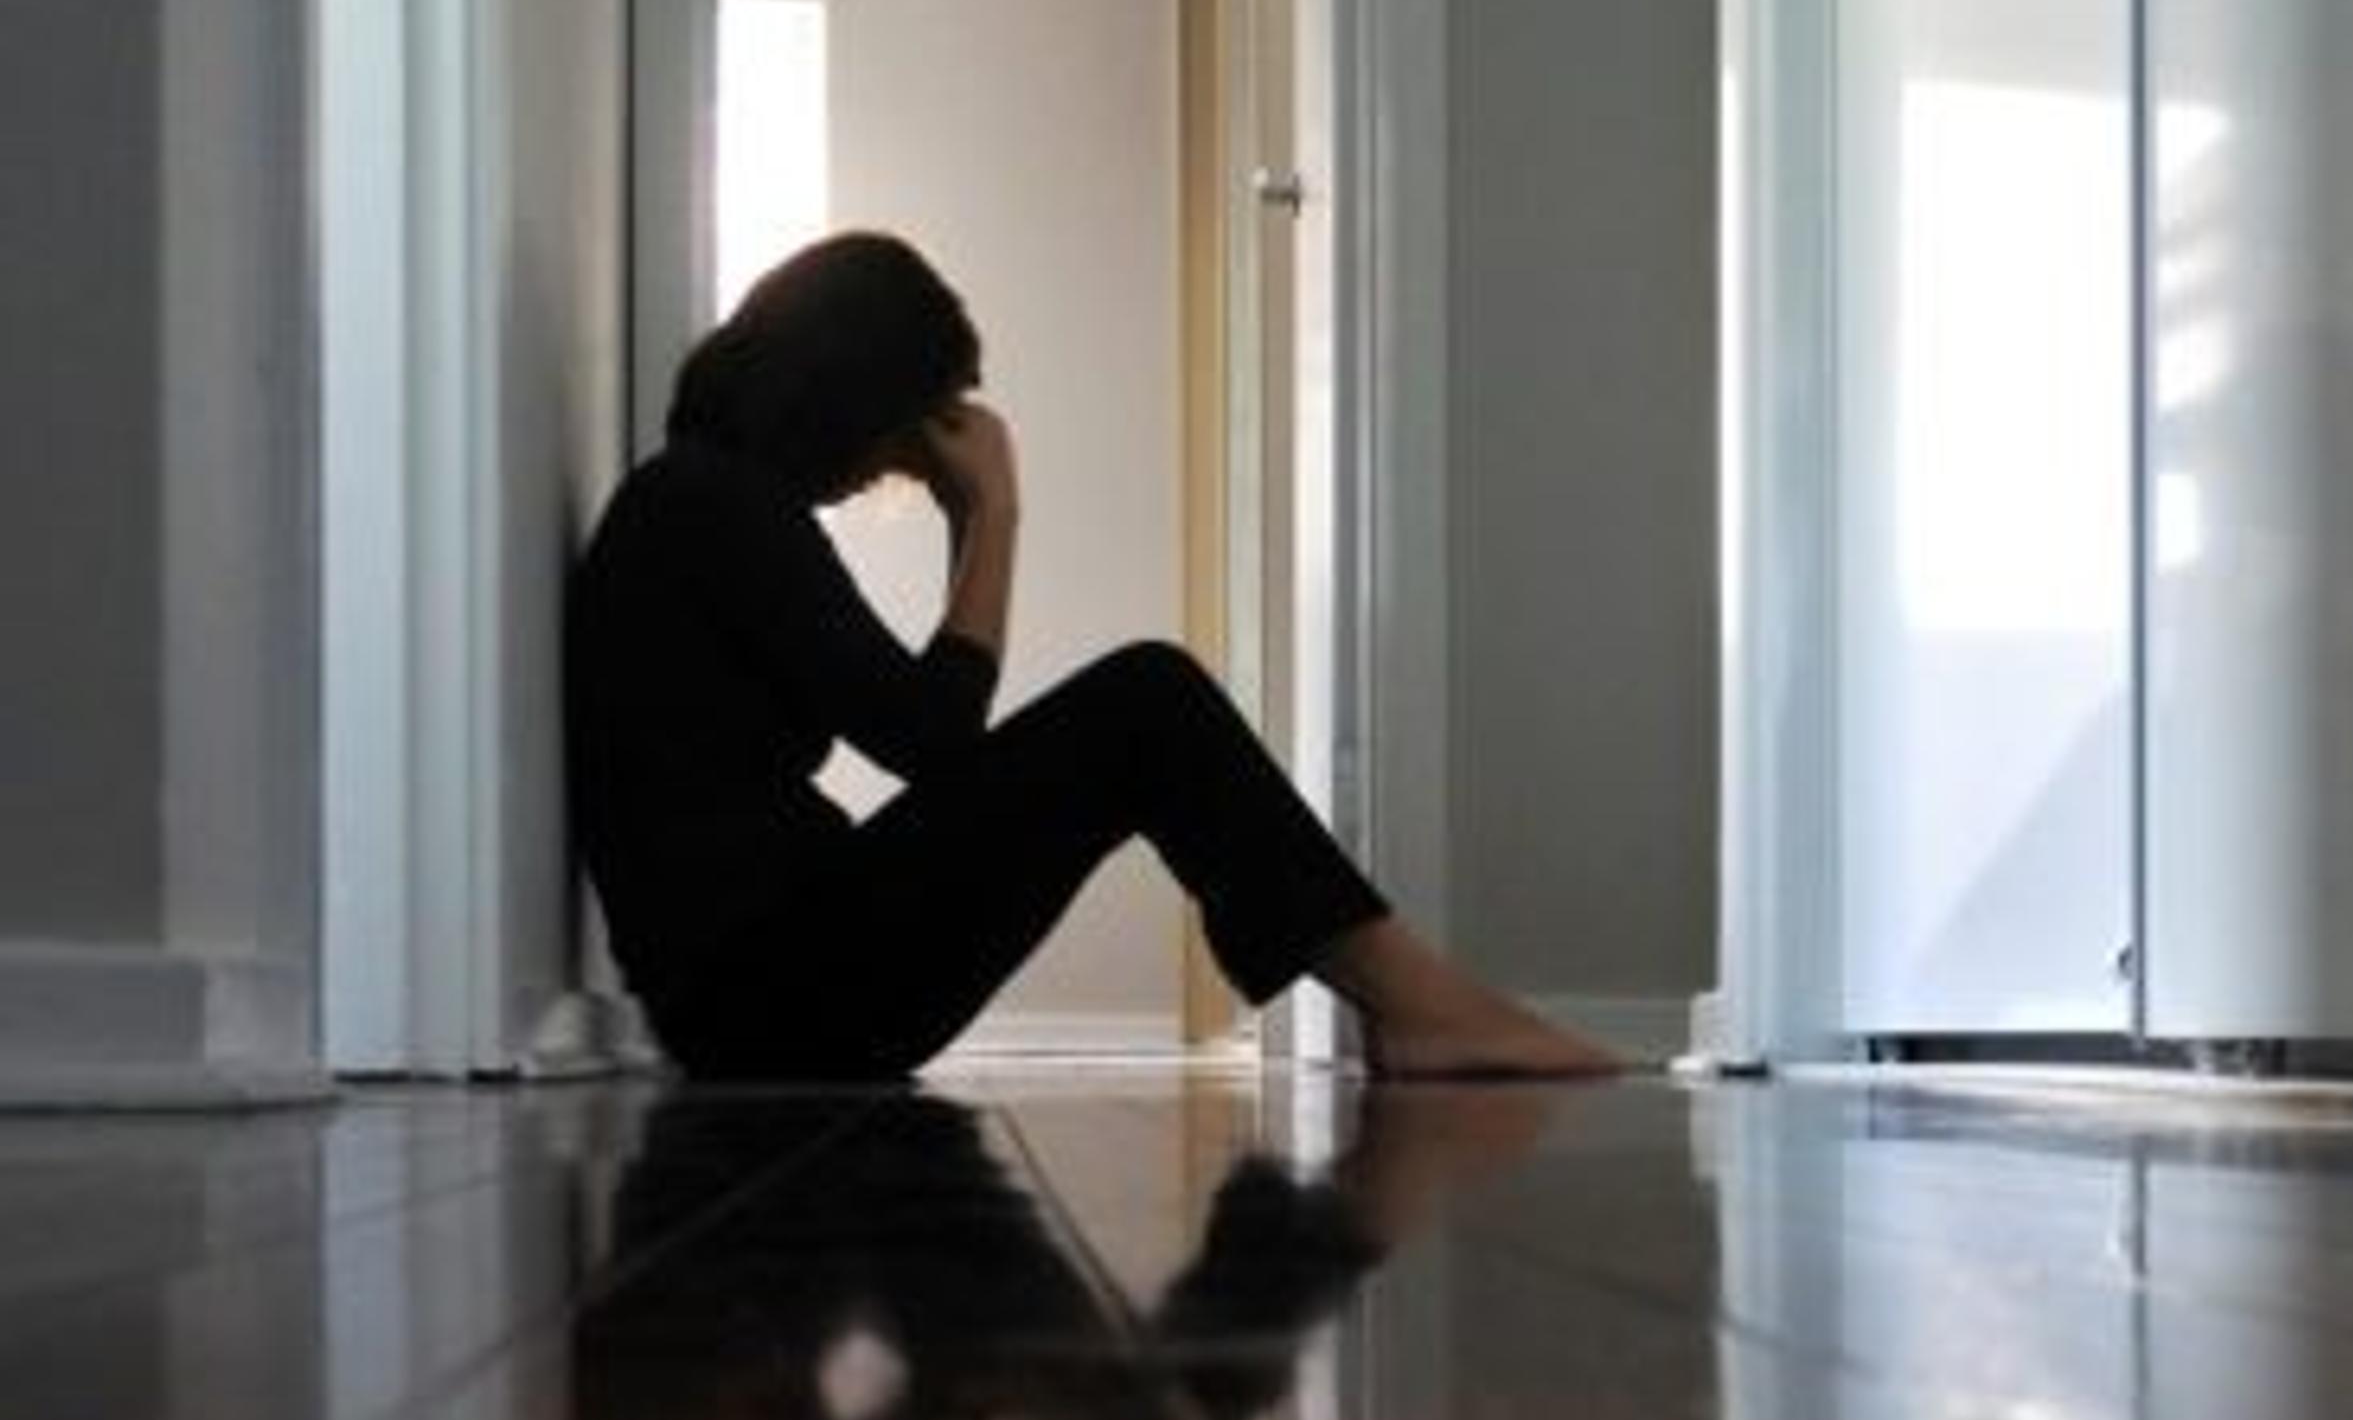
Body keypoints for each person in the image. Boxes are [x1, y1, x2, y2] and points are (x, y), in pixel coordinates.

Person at [570, 231, 1614, 1080]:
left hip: (768, 990)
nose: (894, 463)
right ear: (846, 392)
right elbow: (931, 738)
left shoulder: (702, 504)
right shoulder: (709, 504)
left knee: (1145, 702)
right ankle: (1421, 1004)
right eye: (904, 427)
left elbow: (921, 731)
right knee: (1146, 701)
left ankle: (1411, 1001)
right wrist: (995, 511)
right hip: (772, 999)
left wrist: (972, 519)